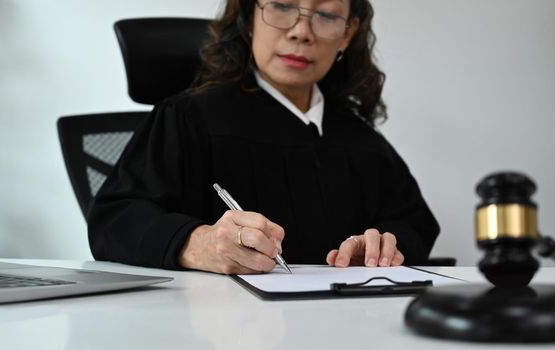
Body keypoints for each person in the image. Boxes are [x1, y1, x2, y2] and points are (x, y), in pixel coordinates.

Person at [88, 0, 440, 274]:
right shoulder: (189, 118)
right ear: (249, 15)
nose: (302, 32)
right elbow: (116, 218)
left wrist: (385, 245)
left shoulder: (362, 141)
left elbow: (413, 223)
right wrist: (197, 243)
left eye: (327, 16)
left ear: (347, 34)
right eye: (282, 6)